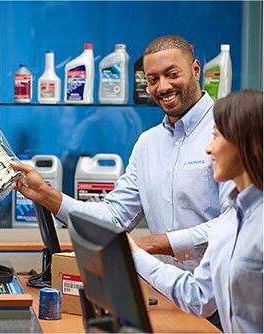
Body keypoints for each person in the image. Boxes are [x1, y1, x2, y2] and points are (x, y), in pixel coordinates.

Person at [12, 35, 232, 270]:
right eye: (153, 79)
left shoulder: (229, 131)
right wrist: (45, 195)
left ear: (195, 69)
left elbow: (235, 224)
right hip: (170, 291)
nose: (163, 86)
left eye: (172, 74)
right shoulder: (148, 143)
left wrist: (150, 245)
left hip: (224, 295)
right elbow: (114, 217)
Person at [128, 89, 263, 333]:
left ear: (247, 143)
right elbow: (198, 295)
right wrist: (134, 254)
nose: (208, 149)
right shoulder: (229, 221)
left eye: (217, 136)